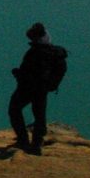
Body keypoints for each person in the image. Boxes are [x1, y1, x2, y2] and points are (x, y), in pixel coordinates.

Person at [8, 22, 67, 155]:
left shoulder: (35, 53)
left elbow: (28, 72)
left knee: (14, 109)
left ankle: (23, 140)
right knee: (39, 114)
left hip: (28, 88)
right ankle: (37, 143)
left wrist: (19, 74)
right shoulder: (54, 53)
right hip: (42, 89)